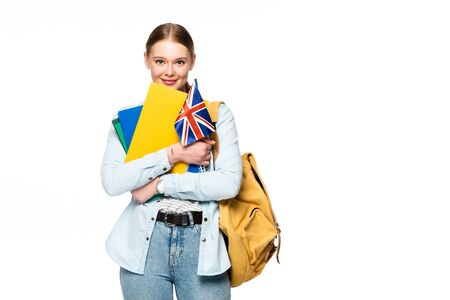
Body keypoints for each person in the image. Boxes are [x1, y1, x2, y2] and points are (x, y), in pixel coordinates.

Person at [101, 23, 242, 300]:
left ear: (192, 61)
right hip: (145, 242)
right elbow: (112, 181)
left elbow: (228, 183)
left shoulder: (215, 115)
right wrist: (174, 154)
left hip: (202, 244)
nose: (169, 71)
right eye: (160, 61)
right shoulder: (131, 121)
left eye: (179, 61)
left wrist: (160, 185)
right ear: (146, 60)